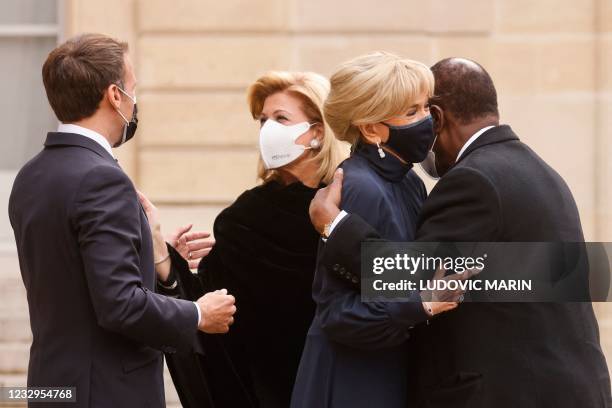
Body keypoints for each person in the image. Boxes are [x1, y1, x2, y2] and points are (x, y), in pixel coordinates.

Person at [308, 58, 611, 408]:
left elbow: (414, 278)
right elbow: (532, 276)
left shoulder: (474, 180)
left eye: (422, 110)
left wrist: (336, 225)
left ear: (437, 117)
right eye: (411, 110)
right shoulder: (538, 170)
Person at [7, 34, 236, 408]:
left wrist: (150, 252)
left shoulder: (31, 174)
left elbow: (72, 272)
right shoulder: (102, 178)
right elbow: (119, 304)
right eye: (132, 88)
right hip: (106, 392)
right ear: (115, 96)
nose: (134, 99)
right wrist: (199, 313)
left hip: (50, 387)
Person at [138, 71, 348, 408]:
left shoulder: (354, 199)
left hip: (345, 381)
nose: (267, 130)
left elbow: (384, 275)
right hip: (268, 391)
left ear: (318, 132)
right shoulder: (244, 218)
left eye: (281, 118)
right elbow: (211, 312)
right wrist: (166, 258)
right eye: (263, 120)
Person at [291, 52, 463, 408]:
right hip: (351, 377)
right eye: (411, 112)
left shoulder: (409, 182)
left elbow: (397, 273)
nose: (428, 121)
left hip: (383, 366)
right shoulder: (360, 186)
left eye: (425, 107)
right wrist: (421, 304)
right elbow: (337, 312)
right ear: (371, 129)